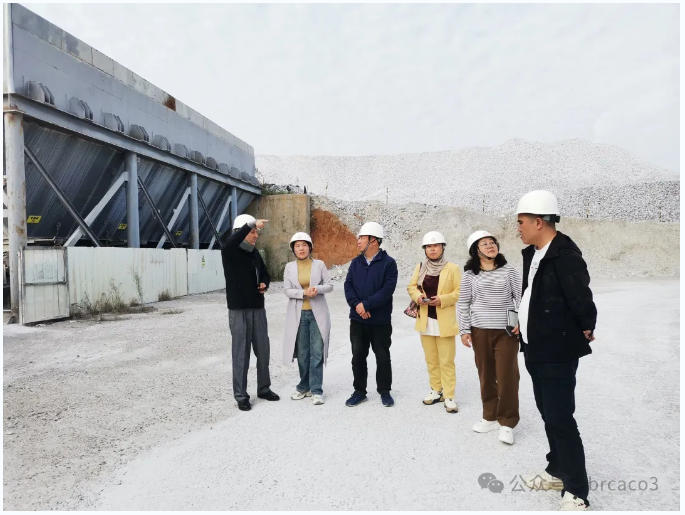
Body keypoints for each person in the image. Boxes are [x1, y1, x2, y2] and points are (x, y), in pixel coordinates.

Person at [514, 190, 597, 511]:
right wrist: (523, 322)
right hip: (534, 347)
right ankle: (557, 470)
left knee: (561, 418)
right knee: (548, 413)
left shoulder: (565, 255)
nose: (518, 228)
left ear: (539, 222)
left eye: (521, 222)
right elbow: (532, 294)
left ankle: (577, 490)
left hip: (557, 351)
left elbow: (581, 297)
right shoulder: (533, 253)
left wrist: (586, 325)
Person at [457, 230, 521, 445]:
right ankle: (490, 416)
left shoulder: (509, 271)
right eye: (484, 244)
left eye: (492, 242)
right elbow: (463, 303)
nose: (490, 246)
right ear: (475, 250)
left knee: (507, 376)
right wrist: (464, 330)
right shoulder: (469, 275)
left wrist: (521, 322)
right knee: (486, 375)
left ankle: (507, 422)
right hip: (480, 331)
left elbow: (520, 297)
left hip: (506, 331)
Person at [220, 213, 280, 412]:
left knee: (263, 351)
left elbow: (265, 274)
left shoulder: (254, 253)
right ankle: (241, 396)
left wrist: (264, 283)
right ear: (240, 232)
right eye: (253, 232)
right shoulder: (230, 252)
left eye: (256, 232)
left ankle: (264, 389)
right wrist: (252, 223)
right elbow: (230, 243)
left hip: (257, 309)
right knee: (241, 354)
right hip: (238, 310)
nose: (256, 235)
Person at [343, 221, 398, 407]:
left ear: (373, 240)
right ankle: (359, 391)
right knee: (358, 356)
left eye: (362, 238)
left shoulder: (389, 264)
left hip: (380, 321)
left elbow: (387, 290)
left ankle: (385, 391)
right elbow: (348, 286)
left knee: (382, 356)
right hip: (358, 320)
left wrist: (366, 305)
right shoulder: (355, 263)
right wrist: (358, 306)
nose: (358, 241)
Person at [407, 231, 461, 413]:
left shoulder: (452, 268)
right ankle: (436, 390)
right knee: (431, 359)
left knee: (446, 361)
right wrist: (418, 296)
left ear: (442, 248)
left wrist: (442, 300)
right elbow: (411, 286)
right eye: (429, 246)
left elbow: (459, 292)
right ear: (425, 249)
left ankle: (449, 395)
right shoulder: (421, 266)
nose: (432, 249)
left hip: (444, 321)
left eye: (436, 246)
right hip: (425, 321)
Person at [282, 232, 333, 405]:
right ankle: (304, 387)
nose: (301, 248)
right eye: (297, 246)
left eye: (304, 245)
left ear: (310, 247)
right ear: (293, 249)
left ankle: (316, 390)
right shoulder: (289, 267)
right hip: (299, 315)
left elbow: (329, 285)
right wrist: (303, 292)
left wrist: (317, 289)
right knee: (303, 353)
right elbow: (287, 290)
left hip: (318, 314)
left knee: (317, 352)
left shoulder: (319, 264)